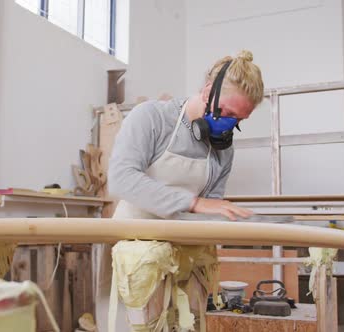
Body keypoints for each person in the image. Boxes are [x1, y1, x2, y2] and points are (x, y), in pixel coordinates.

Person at [101, 50, 265, 332]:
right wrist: (193, 203)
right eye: (225, 112)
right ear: (206, 92)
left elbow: (211, 207)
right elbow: (121, 179)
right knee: (148, 327)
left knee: (190, 325)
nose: (229, 124)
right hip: (138, 243)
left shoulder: (223, 150)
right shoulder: (151, 118)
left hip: (187, 244)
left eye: (238, 119)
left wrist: (223, 220)